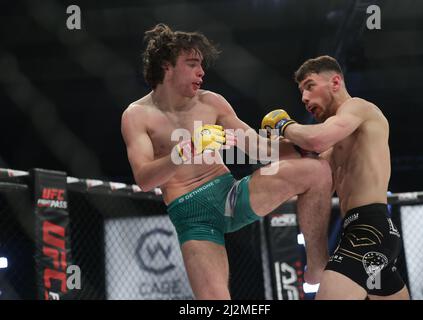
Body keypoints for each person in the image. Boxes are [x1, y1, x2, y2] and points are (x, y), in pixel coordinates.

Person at [121, 24, 332, 299]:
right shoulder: (137, 115)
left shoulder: (212, 102)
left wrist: (304, 144)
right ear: (167, 67)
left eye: (202, 64)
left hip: (230, 195)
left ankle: (316, 265)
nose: (202, 71)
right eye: (192, 63)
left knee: (316, 170)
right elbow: (145, 179)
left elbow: (259, 149)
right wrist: (187, 150)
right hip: (192, 216)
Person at [261, 55, 410, 299]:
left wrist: (283, 124)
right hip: (366, 232)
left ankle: (318, 263)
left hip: (368, 232)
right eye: (301, 91)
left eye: (309, 86)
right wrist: (242, 141)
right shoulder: (337, 148)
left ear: (335, 82)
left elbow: (316, 138)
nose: (304, 98)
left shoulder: (358, 107)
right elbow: (310, 180)